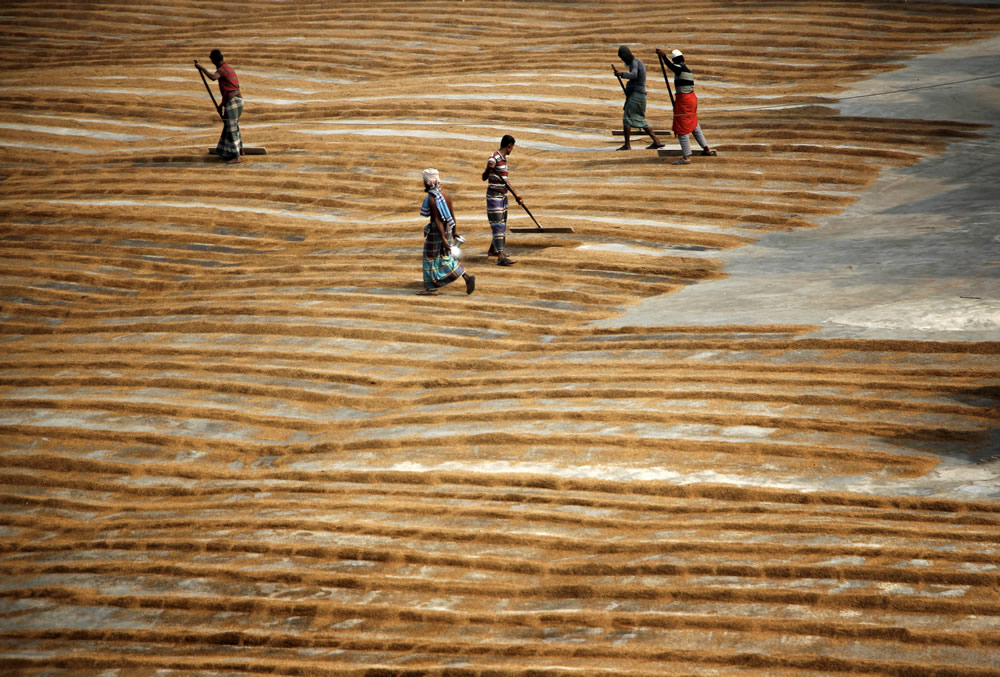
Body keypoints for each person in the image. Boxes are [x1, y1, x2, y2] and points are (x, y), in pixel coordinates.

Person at [655, 48, 717, 165]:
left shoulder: (679, 68)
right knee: (693, 124)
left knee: (682, 126)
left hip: (684, 100)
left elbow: (672, 66)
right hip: (691, 99)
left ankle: (686, 157)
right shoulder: (687, 70)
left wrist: (663, 56)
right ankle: (706, 149)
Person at [419, 169, 475, 296]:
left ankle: (432, 288)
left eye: (424, 180)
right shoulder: (446, 194)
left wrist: (443, 239)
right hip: (448, 229)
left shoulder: (433, 199)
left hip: (437, 232)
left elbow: (437, 220)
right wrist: (454, 231)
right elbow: (452, 215)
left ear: (428, 182)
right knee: (444, 257)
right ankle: (466, 277)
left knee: (430, 258)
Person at [195, 49, 243, 164]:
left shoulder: (222, 70)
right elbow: (230, 89)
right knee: (231, 126)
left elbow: (213, 77)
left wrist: (201, 68)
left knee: (231, 128)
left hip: (233, 102)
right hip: (237, 101)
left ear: (214, 60)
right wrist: (221, 105)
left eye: (212, 61)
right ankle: (237, 150)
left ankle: (236, 157)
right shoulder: (229, 68)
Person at [613, 46, 665, 151]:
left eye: (622, 58)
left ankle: (627, 145)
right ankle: (656, 141)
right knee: (641, 118)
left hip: (636, 95)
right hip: (640, 94)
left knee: (627, 119)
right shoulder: (637, 62)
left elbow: (634, 75)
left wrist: (621, 74)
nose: (623, 60)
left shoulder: (634, 63)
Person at [481, 134, 523, 266]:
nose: (512, 150)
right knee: (498, 225)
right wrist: (489, 168)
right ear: (509, 146)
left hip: (503, 196)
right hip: (494, 197)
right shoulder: (494, 158)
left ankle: (492, 250)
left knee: (501, 223)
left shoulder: (503, 160)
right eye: (512, 148)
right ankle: (500, 256)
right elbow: (484, 177)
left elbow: (505, 181)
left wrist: (516, 195)